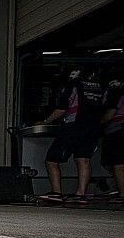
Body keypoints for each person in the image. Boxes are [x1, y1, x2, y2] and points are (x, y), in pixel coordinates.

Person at [37, 69, 103, 204]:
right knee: (83, 159)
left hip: (73, 126)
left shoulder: (71, 85)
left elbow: (62, 109)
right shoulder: (97, 87)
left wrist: (45, 121)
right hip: (92, 127)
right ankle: (81, 194)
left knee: (51, 160)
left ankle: (56, 192)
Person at [101, 78, 124, 203]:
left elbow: (110, 115)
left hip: (116, 129)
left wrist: (98, 123)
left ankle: (122, 193)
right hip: (116, 129)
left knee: (117, 163)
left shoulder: (115, 95)